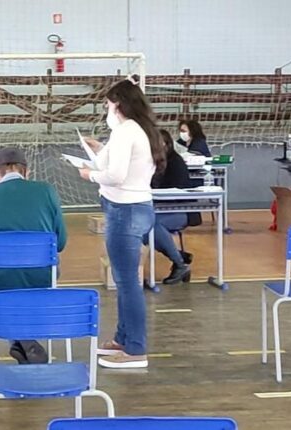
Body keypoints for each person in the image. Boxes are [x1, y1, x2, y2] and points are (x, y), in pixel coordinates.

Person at [79, 75, 165, 369]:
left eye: (107, 104)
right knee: (124, 279)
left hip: (125, 211)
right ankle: (123, 338)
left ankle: (136, 349)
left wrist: (89, 175)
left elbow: (115, 176)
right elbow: (122, 165)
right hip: (136, 208)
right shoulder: (140, 130)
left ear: (118, 104)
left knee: (128, 283)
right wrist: (99, 149)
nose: (106, 110)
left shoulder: (126, 131)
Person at [0, 147, 67, 365]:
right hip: (41, 278)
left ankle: (20, 340)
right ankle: (25, 340)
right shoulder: (47, 192)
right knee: (35, 277)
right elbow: (61, 242)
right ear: (27, 172)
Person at [145, 130, 196, 285]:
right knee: (142, 228)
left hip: (181, 211)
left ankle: (180, 264)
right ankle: (180, 258)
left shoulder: (175, 163)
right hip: (160, 210)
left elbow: (177, 192)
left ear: (166, 145)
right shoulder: (153, 163)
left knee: (151, 226)